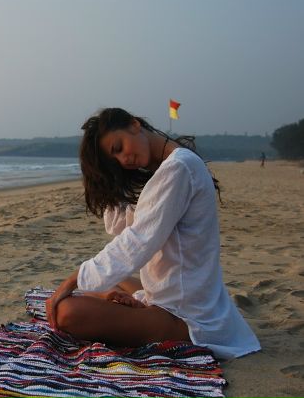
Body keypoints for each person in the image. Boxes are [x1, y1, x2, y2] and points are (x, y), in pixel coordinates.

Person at [46, 107, 260, 360]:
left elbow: (137, 240)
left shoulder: (178, 168)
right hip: (174, 294)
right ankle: (123, 301)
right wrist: (110, 178)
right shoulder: (168, 168)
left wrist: (71, 280)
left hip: (186, 314)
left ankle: (135, 310)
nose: (124, 159)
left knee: (67, 312)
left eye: (119, 147)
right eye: (115, 159)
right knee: (109, 284)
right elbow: (119, 226)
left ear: (134, 125)